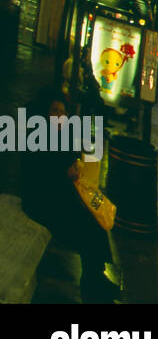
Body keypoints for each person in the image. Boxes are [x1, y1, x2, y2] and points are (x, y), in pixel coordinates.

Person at [20, 87, 119, 303]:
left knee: (93, 221)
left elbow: (70, 156)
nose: (59, 116)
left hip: (60, 195)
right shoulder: (33, 135)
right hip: (42, 200)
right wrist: (64, 172)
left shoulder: (60, 133)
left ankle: (96, 274)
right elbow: (35, 173)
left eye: (62, 112)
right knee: (85, 226)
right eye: (54, 111)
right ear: (44, 112)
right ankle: (92, 280)